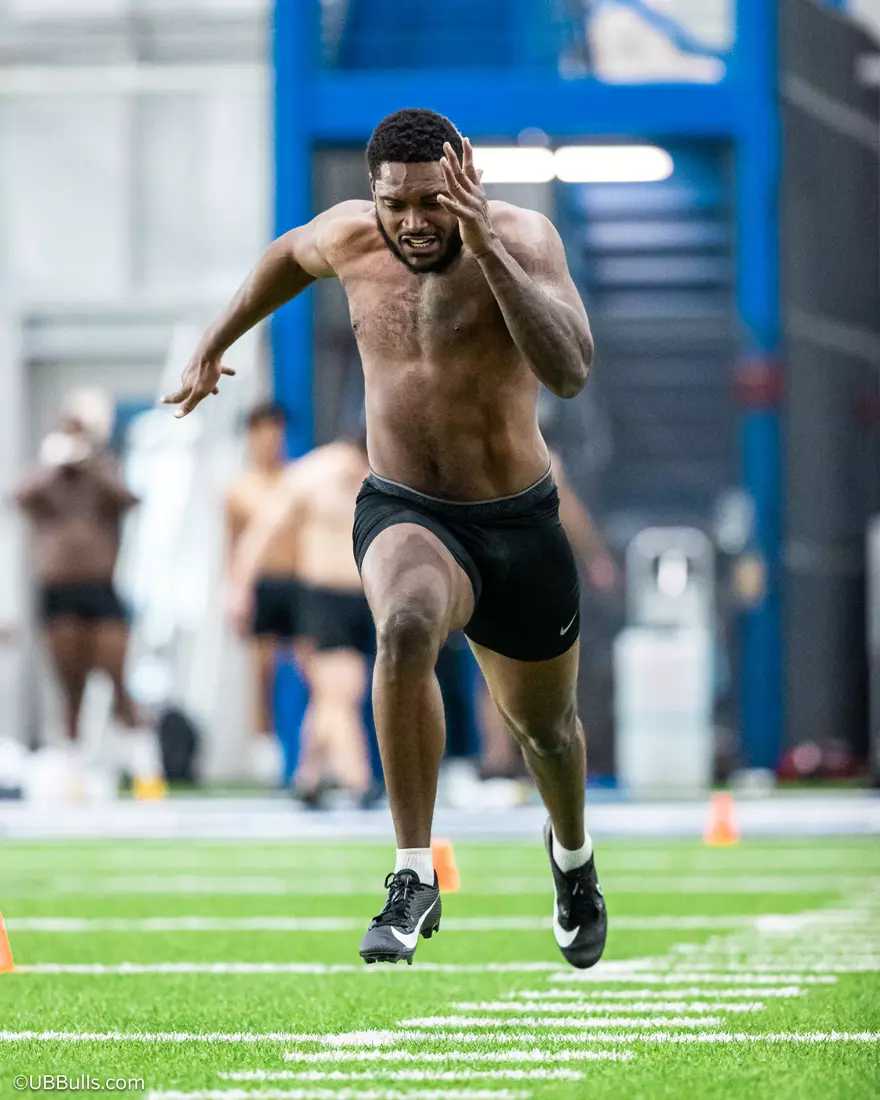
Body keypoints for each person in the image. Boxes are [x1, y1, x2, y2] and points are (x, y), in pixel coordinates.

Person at [165, 107, 607, 969]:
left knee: (547, 733)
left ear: (465, 182)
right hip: (408, 506)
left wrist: (489, 252)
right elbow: (287, 258)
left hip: (516, 522)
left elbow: (570, 370)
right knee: (404, 623)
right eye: (395, 204)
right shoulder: (352, 237)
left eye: (434, 204)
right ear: (374, 194)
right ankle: (413, 874)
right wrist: (215, 345)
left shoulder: (526, 238)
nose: (413, 223)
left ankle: (574, 862)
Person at [13, 415, 160, 791]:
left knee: (116, 674)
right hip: (59, 591)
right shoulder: (47, 482)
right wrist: (55, 466)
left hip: (100, 588)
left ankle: (147, 771)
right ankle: (73, 775)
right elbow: (19, 497)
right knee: (70, 686)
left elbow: (131, 500)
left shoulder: (101, 475)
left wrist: (92, 465)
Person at [229, 435, 376, 805]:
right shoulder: (312, 476)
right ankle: (358, 780)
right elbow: (261, 533)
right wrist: (239, 589)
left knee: (329, 695)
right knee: (343, 691)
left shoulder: (387, 474)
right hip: (323, 599)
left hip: (367, 600)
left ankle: (307, 778)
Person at [226, 403, 308, 764]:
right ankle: (266, 752)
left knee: (313, 666)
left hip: (298, 581)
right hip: (262, 586)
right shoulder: (239, 491)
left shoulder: (297, 482)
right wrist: (234, 592)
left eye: (275, 433)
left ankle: (313, 747)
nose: (269, 441)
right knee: (263, 672)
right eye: (262, 433)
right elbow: (232, 547)